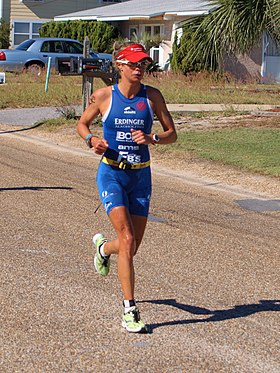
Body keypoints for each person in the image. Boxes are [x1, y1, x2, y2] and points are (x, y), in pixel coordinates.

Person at [76, 42, 177, 333]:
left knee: (130, 247)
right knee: (128, 237)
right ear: (119, 65)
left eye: (143, 64)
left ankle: (103, 248)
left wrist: (153, 139)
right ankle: (129, 310)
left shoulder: (152, 96)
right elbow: (82, 124)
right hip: (112, 174)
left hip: (141, 177)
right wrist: (91, 140)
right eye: (133, 64)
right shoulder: (104, 96)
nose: (139, 69)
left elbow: (172, 134)